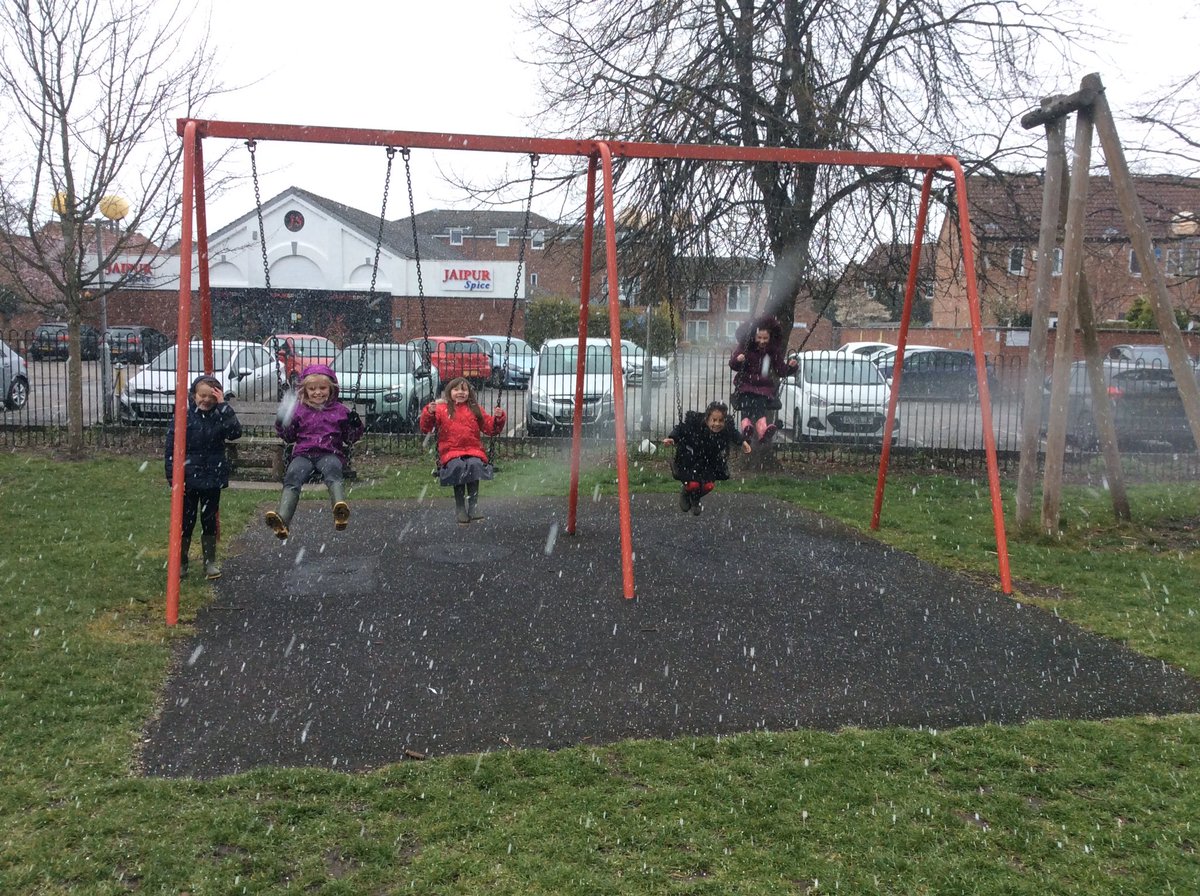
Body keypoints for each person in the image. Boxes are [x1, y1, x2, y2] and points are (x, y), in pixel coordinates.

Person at [265, 363, 364, 540]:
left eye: (322, 388)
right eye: (312, 389)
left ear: (331, 389)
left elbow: (349, 438)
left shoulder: (339, 411)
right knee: (292, 475)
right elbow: (289, 437)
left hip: (329, 453)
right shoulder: (299, 410)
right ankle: (283, 519)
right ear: (305, 390)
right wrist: (282, 423)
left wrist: (355, 425)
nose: (317, 392)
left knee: (333, 471)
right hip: (303, 454)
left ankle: (340, 509)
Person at [164, 374, 243, 579]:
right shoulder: (184, 416)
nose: (206, 400)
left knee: (209, 520)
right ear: (193, 396)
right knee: (186, 522)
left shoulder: (220, 414)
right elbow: (171, 450)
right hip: (188, 478)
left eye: (211, 396)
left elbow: (235, 432)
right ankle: (181, 562)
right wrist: (173, 479)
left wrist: (224, 406)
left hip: (212, 476)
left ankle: (209, 562)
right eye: (202, 395)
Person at [420, 377, 506, 525]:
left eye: (464, 389)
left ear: (469, 393)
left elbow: (491, 429)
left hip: (473, 450)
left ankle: (473, 506)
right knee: (458, 467)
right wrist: (429, 411)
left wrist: (498, 418)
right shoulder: (441, 409)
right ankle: (460, 507)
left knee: (474, 465)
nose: (460, 393)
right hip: (451, 451)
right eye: (456, 389)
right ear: (449, 392)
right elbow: (426, 428)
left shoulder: (475, 409)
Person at [662, 400, 752, 515]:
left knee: (708, 485)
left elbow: (734, 434)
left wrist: (743, 442)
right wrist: (672, 438)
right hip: (690, 459)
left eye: (721, 421)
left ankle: (695, 498)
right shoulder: (694, 424)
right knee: (693, 484)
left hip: (710, 462)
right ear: (707, 419)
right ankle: (686, 493)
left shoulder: (726, 429)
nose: (717, 424)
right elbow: (680, 429)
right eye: (714, 420)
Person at [728, 315, 797, 443]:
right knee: (746, 402)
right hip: (745, 384)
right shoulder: (745, 347)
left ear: (770, 338)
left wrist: (791, 367)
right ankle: (746, 427)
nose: (762, 341)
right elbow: (733, 365)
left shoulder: (772, 352)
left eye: (765, 338)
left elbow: (781, 370)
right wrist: (738, 360)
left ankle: (762, 430)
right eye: (759, 337)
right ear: (754, 337)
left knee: (760, 402)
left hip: (763, 386)